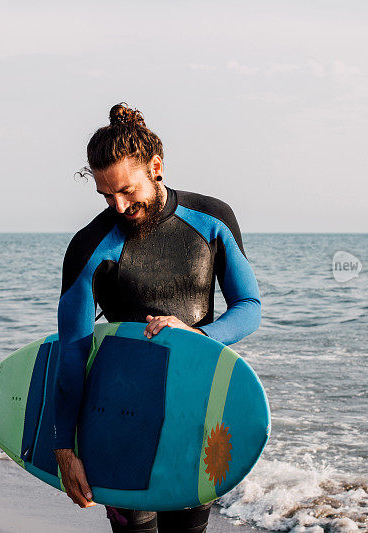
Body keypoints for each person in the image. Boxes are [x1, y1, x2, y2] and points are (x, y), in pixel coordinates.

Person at [52, 103, 261, 533]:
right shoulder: (89, 246)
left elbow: (248, 309)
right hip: (116, 415)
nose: (118, 204)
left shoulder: (211, 220)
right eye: (106, 195)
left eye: (127, 190)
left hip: (192, 409)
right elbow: (72, 354)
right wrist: (64, 449)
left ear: (156, 167)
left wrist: (197, 335)